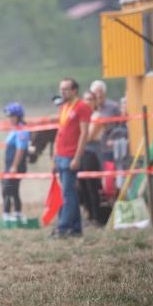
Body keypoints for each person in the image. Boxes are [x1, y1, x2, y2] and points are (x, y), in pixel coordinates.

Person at [52, 78, 92, 238]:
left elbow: (84, 133)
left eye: (66, 89)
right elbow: (60, 131)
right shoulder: (64, 107)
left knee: (68, 194)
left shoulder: (82, 107)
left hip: (71, 155)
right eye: (61, 89)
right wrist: (55, 155)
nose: (62, 92)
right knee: (70, 193)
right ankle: (76, 228)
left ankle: (63, 227)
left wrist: (77, 157)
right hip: (61, 154)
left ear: (75, 90)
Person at [1, 102, 30, 222]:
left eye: (12, 116)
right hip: (9, 165)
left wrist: (14, 166)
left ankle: (7, 214)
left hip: (16, 166)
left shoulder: (22, 130)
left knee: (7, 189)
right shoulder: (15, 128)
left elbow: (20, 149)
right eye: (9, 116)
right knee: (13, 190)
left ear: (18, 116)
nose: (10, 119)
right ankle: (16, 213)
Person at [79, 91, 102, 225]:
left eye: (91, 99)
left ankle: (96, 216)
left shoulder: (96, 116)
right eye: (86, 99)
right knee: (82, 186)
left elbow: (89, 137)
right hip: (81, 152)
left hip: (91, 152)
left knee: (91, 186)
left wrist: (77, 139)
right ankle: (88, 215)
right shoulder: (82, 116)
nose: (88, 102)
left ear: (95, 102)